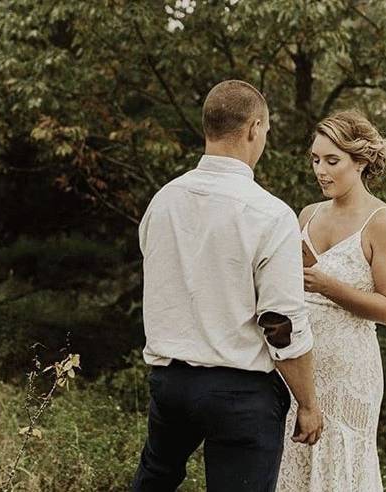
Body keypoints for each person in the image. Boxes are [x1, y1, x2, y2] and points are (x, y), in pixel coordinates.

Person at [132, 80, 323, 492]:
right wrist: (307, 403)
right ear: (254, 128)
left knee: (155, 480)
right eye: (266, 132)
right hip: (240, 391)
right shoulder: (270, 215)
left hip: (170, 382)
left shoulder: (162, 201)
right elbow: (280, 322)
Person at [277, 110, 386, 491]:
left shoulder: (383, 222)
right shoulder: (308, 214)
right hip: (298, 367)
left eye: (332, 161)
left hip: (349, 372)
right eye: (316, 160)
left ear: (362, 161)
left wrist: (328, 286)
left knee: (339, 464)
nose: (321, 170)